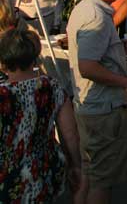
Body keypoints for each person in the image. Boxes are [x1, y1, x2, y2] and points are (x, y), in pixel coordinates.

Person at [66, 0, 127, 204]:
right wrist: (124, 82)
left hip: (92, 105)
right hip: (101, 108)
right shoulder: (95, 16)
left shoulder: (85, 9)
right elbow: (88, 66)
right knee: (101, 181)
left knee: (91, 173)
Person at [0, 28, 81, 203]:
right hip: (45, 169)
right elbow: (70, 134)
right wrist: (76, 165)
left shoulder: (3, 95)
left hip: (8, 178)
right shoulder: (52, 86)